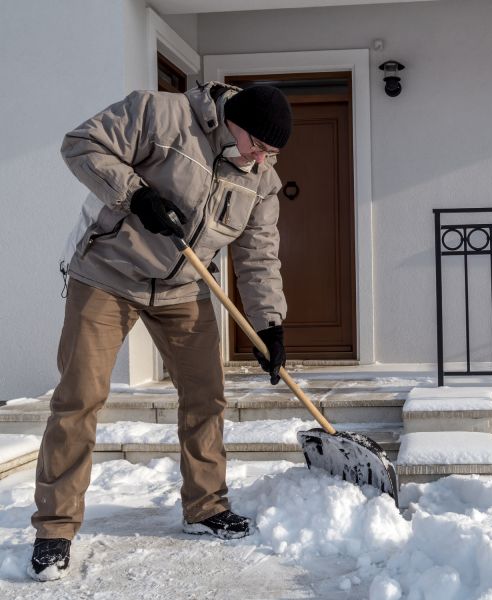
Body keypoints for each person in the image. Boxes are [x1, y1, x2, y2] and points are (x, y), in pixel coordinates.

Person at [28, 82, 292, 581]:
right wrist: (136, 195)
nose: (261, 158)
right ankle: (55, 529)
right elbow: (81, 143)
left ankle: (206, 506)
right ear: (233, 120)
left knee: (205, 395)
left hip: (183, 288)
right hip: (107, 273)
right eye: (258, 144)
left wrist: (269, 326)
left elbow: (259, 257)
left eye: (271, 152)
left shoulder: (261, 178)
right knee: (80, 396)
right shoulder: (161, 115)